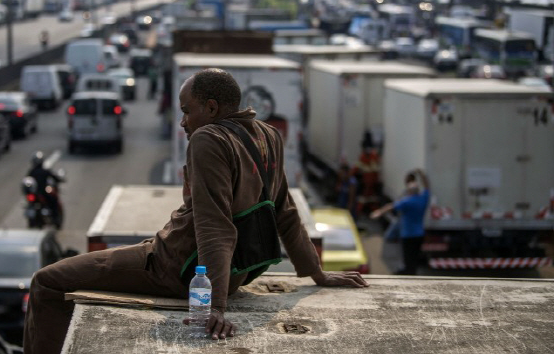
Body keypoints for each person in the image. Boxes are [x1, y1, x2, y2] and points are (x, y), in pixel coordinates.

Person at [23, 68, 369, 353]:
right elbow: (286, 212)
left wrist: (214, 305)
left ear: (213, 108)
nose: (183, 122)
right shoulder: (268, 135)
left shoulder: (209, 139)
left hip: (175, 268)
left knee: (47, 282)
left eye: (187, 111)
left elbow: (215, 226)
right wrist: (317, 274)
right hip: (235, 273)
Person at [370, 169, 430, 275]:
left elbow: (391, 206)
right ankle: (412, 271)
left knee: (407, 257)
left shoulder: (407, 201)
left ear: (410, 192)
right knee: (414, 257)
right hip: (419, 234)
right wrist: (422, 175)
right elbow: (427, 187)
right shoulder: (423, 199)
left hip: (408, 234)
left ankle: (408, 274)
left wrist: (379, 212)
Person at [26, 151, 63, 227]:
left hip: (35, 193)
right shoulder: (45, 171)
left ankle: (55, 218)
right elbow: (55, 177)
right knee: (54, 200)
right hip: (42, 193)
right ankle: (55, 217)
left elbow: (26, 181)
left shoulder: (31, 172)